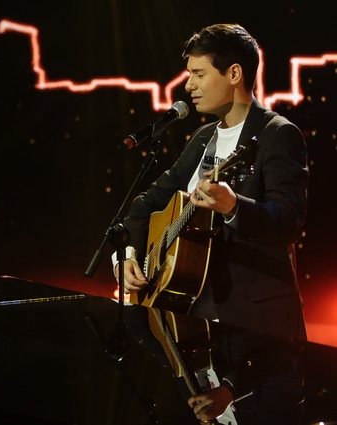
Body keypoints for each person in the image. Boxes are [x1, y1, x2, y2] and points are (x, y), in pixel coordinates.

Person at [114, 24, 308, 424]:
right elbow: (145, 204)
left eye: (198, 74)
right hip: (196, 327)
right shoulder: (202, 138)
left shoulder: (277, 135)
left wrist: (235, 205)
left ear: (233, 74)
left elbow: (289, 222)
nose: (189, 86)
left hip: (257, 338)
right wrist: (129, 256)